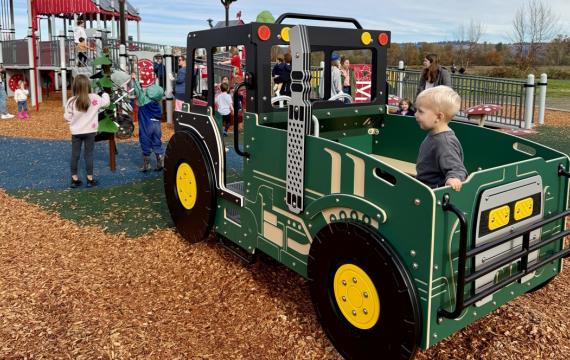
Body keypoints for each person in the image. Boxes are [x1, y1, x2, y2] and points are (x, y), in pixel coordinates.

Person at [414, 86, 467, 192]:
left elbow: (457, 168)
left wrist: (453, 178)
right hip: (423, 187)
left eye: (420, 111)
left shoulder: (444, 142)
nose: (415, 114)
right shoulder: (434, 134)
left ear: (438, 117)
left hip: (433, 193)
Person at [64, 75, 110, 188]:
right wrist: (104, 92)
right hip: (90, 131)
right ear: (88, 85)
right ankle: (90, 179)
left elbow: (67, 117)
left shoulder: (71, 101)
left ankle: (74, 179)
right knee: (88, 155)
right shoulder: (94, 98)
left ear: (75, 86)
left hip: (76, 132)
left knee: (75, 155)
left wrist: (73, 124)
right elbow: (106, 103)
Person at [131, 72, 165, 172]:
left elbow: (138, 91)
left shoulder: (143, 100)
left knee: (145, 141)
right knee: (157, 141)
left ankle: (146, 165)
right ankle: (160, 161)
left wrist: (135, 79)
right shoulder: (157, 104)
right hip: (157, 126)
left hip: (147, 126)